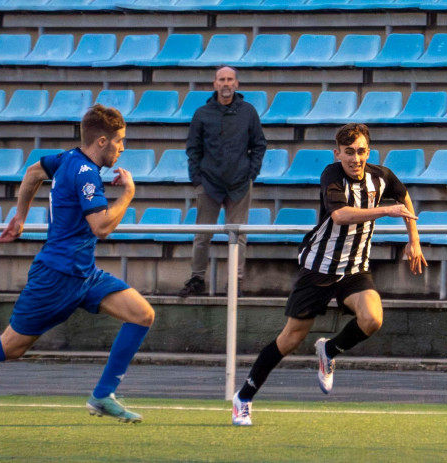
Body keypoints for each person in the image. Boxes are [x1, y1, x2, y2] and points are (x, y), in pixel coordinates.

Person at [0, 104, 155, 424]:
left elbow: (34, 171)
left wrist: (20, 218)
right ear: (102, 141)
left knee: (142, 314)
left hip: (83, 274)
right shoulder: (86, 172)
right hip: (57, 276)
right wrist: (129, 194)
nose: (123, 148)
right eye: (119, 140)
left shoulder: (66, 159)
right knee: (11, 347)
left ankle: (103, 395)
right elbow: (101, 227)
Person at [231, 123, 428, 426]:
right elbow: (341, 215)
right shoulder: (331, 175)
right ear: (337, 154)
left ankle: (329, 349)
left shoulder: (381, 176)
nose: (355, 158)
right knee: (290, 338)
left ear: (368, 152)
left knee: (373, 318)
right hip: (318, 270)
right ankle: (243, 398)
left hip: (354, 270)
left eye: (361, 151)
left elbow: (403, 197)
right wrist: (385, 212)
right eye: (348, 152)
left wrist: (413, 240)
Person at [178, 65, 267, 297]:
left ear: (236, 84)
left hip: (239, 182)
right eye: (222, 80)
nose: (226, 84)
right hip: (208, 183)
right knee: (202, 235)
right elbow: (193, 148)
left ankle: (235, 282)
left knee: (238, 235)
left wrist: (251, 173)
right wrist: (196, 179)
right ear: (215, 84)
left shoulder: (248, 112)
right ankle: (197, 279)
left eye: (230, 79)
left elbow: (259, 144)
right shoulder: (202, 114)